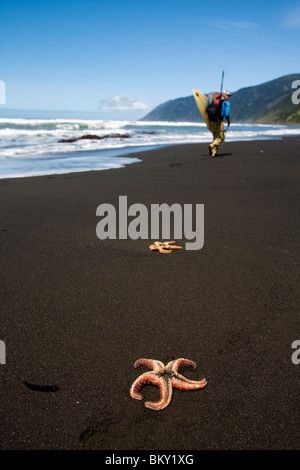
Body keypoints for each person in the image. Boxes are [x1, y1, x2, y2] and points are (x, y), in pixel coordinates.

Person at [207, 90, 232, 157]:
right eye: (228, 95)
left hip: (211, 120)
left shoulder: (213, 100)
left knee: (215, 136)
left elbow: (206, 109)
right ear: (224, 95)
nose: (228, 97)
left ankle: (213, 153)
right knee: (221, 137)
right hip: (219, 121)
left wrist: (208, 123)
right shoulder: (225, 102)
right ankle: (211, 145)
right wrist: (228, 120)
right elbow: (226, 113)